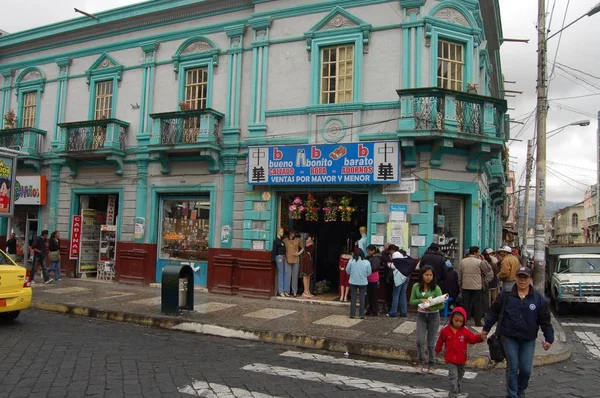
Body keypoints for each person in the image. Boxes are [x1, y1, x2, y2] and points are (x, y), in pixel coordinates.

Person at [482, 267, 554, 398]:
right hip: (508, 337)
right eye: (520, 277)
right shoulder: (506, 294)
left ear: (530, 279)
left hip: (528, 339)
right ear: (515, 278)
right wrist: (485, 329)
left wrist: (549, 339)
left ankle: (520, 391)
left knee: (526, 370)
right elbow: (494, 312)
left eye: (525, 277)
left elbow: (545, 321)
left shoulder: (538, 299)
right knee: (513, 367)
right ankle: (512, 395)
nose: (522, 280)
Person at [435, 307, 485, 396]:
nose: (458, 323)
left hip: (461, 358)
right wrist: (437, 350)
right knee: (453, 375)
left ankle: (457, 385)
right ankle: (453, 392)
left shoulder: (465, 331)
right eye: (456, 320)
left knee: (460, 374)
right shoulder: (445, 330)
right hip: (450, 358)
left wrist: (480, 338)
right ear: (452, 319)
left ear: (464, 321)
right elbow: (440, 341)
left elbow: (472, 339)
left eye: (460, 321)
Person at [410, 265, 445, 373]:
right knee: (419, 340)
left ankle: (431, 364)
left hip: (433, 316)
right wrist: (421, 300)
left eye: (430, 275)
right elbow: (412, 301)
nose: (428, 277)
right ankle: (421, 363)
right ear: (422, 275)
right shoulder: (416, 286)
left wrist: (432, 306)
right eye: (426, 275)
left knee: (431, 343)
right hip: (421, 316)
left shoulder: (436, 288)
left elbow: (441, 305)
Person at [458, 246, 493, 326]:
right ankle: (478, 322)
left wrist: (460, 284)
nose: (479, 253)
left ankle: (465, 320)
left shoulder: (463, 261)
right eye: (478, 252)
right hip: (477, 286)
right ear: (475, 252)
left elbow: (460, 274)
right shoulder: (479, 261)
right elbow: (488, 270)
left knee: (466, 304)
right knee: (477, 304)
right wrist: (485, 281)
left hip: (465, 286)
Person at [387, 250, 416, 318]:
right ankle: (403, 312)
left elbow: (391, 266)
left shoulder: (397, 262)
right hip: (407, 277)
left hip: (399, 278)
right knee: (403, 294)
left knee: (396, 295)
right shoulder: (407, 261)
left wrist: (388, 262)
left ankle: (393, 312)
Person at [345, 249, 371, 319]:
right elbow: (369, 273)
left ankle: (352, 314)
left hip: (353, 281)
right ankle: (361, 314)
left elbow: (347, 270)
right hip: (363, 282)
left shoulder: (351, 261)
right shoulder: (366, 262)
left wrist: (352, 274)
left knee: (353, 298)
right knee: (362, 298)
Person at [283, 230, 303, 297]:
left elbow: (303, 248)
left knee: (295, 276)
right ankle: (287, 291)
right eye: (292, 232)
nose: (293, 233)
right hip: (287, 260)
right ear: (289, 233)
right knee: (287, 276)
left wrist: (298, 253)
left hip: (296, 260)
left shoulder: (298, 240)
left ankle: (294, 291)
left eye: (294, 232)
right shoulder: (285, 240)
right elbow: (282, 249)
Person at [365, 245, 382, 316]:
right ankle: (370, 310)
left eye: (369, 251)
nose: (368, 252)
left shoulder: (376, 258)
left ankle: (374, 311)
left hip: (373, 278)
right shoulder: (372, 257)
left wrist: (368, 267)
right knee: (370, 295)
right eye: (367, 251)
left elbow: (374, 267)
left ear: (373, 250)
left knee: (373, 295)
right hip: (370, 278)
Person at [271, 228, 287, 297]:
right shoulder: (276, 241)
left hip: (283, 257)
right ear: (278, 232)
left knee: (283, 272)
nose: (282, 233)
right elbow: (274, 250)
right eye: (281, 232)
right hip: (279, 257)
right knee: (281, 273)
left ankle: (283, 290)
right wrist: (273, 258)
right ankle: (280, 291)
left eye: (283, 232)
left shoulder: (281, 241)